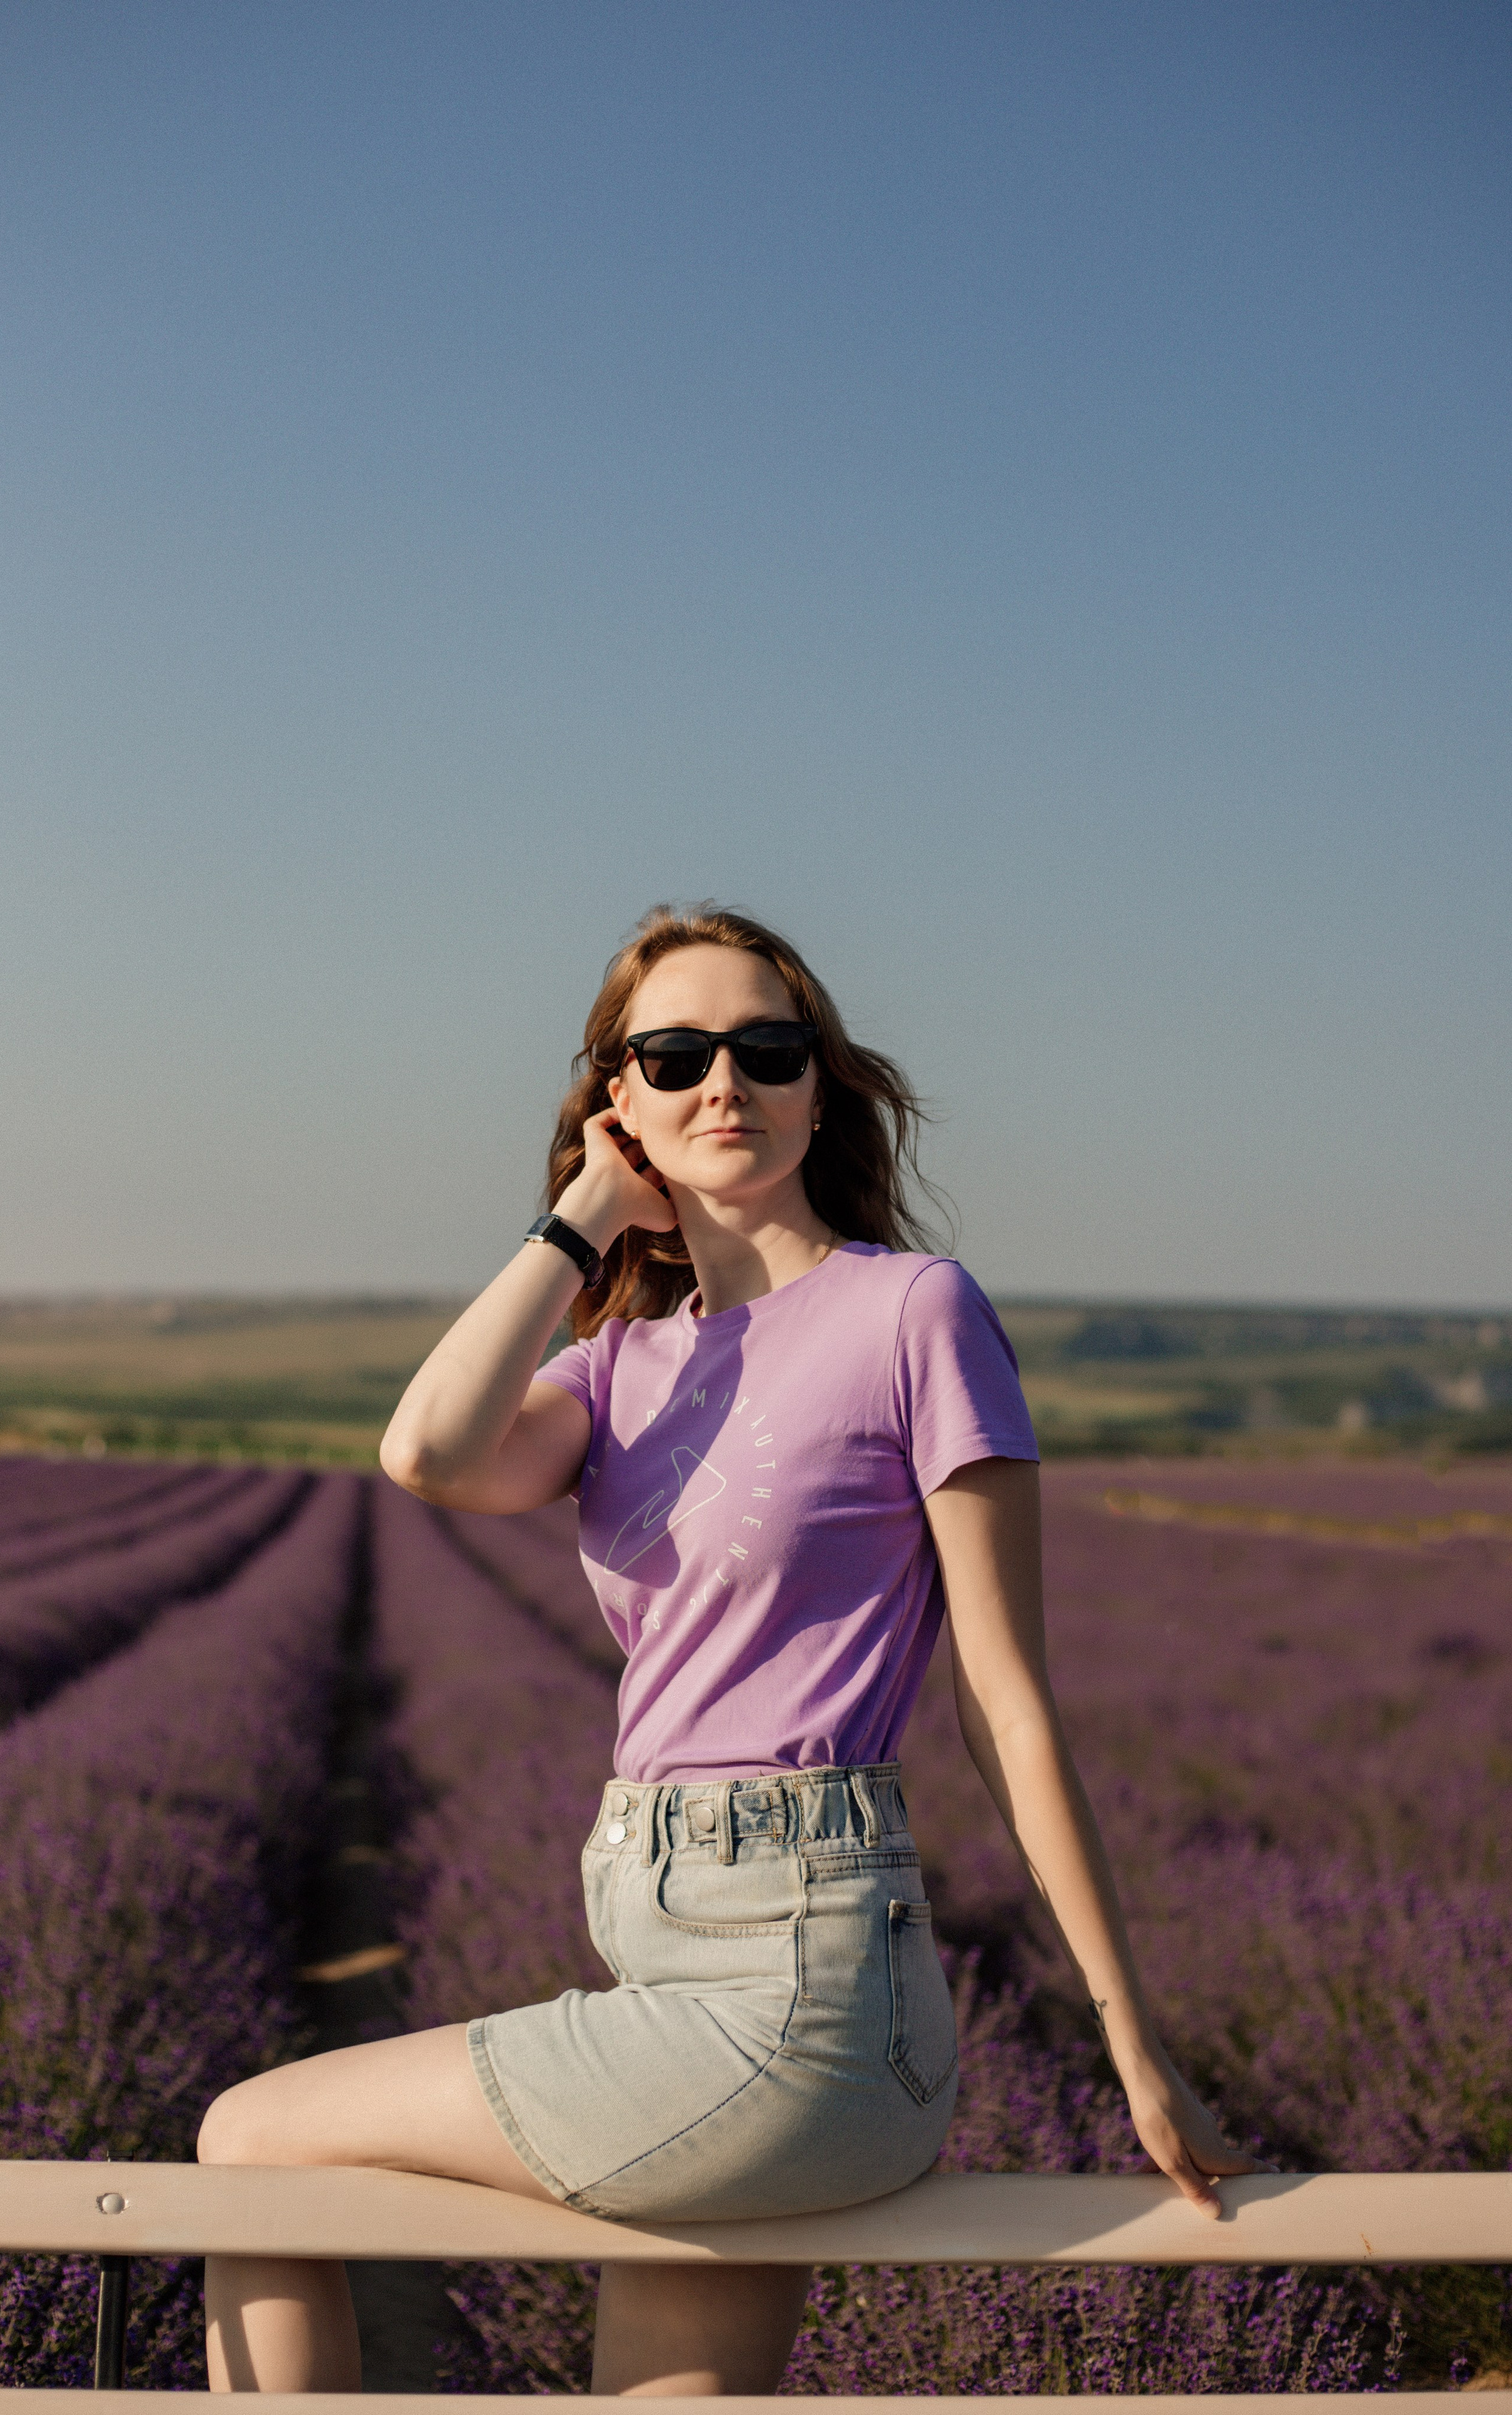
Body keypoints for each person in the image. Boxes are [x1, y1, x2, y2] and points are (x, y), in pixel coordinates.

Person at [198, 902, 1266, 2397]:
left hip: (807, 1993)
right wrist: (580, 1219)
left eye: (767, 1049)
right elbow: (426, 1452)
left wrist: (1127, 2041)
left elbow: (1006, 1708)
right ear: (614, 1100)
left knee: (249, 2137)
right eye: (675, 1053)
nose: (725, 1083)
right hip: (661, 1961)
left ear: (819, 1086)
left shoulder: (912, 1312)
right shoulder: (614, 1368)